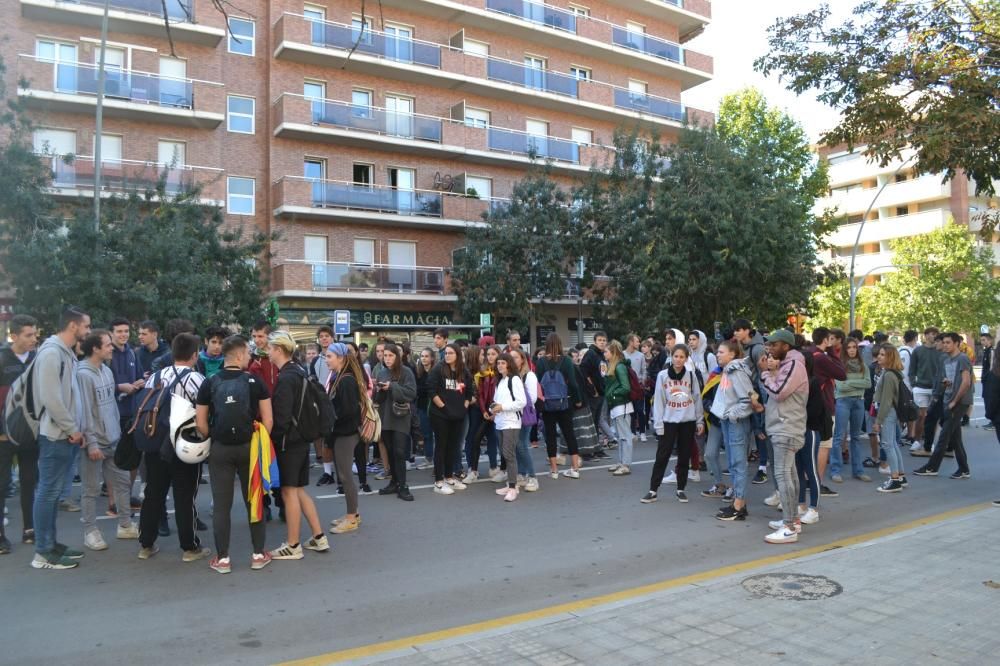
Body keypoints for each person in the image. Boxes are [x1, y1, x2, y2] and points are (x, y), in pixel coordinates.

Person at [195, 335, 273, 574]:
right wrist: (259, 441)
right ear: (239, 355)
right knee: (254, 500)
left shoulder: (210, 382)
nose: (250, 358)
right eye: (248, 354)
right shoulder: (255, 381)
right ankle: (258, 554)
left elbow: (200, 423)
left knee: (221, 505)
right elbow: (268, 420)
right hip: (249, 446)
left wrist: (215, 437)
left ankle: (223, 559)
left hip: (220, 449)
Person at [137, 333, 210, 562]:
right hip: (183, 445)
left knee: (153, 494)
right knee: (185, 496)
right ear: (195, 355)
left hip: (155, 442)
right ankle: (189, 547)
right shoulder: (198, 379)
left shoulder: (155, 377)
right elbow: (204, 414)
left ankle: (146, 545)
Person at [31, 306, 90, 570]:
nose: (88, 331)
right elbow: (51, 399)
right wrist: (71, 429)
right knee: (47, 493)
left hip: (65, 435)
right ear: (73, 326)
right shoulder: (52, 353)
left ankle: (51, 544)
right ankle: (43, 552)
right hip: (56, 436)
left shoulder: (65, 353)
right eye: (86, 326)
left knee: (52, 494)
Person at [263, 331, 329, 560]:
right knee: (300, 490)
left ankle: (292, 545)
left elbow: (281, 417)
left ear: (279, 350)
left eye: (270, 348)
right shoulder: (300, 371)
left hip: (288, 442)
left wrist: (270, 438)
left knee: (289, 491)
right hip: (303, 439)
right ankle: (319, 537)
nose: (267, 352)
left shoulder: (285, 377)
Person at [77, 330, 138, 551]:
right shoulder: (83, 374)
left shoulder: (106, 371)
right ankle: (90, 531)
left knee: (123, 483)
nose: (112, 348)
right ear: (95, 348)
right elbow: (85, 411)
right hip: (95, 443)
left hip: (113, 439)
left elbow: (110, 406)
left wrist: (118, 435)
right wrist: (92, 442)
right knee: (91, 489)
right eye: (108, 345)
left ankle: (125, 524)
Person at [756, 329, 809, 545]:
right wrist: (773, 371)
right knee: (791, 474)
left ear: (786, 346)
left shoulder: (794, 365)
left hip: (786, 428)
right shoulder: (787, 365)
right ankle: (793, 520)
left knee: (783, 475)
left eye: (773, 345)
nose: (769, 349)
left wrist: (766, 373)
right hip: (784, 426)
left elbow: (778, 393)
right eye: (768, 345)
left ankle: (788, 527)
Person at [643, 344, 703, 504]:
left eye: (682, 357)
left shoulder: (691, 376)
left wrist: (699, 420)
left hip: (687, 421)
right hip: (668, 421)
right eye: (676, 356)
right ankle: (653, 490)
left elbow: (697, 399)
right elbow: (659, 402)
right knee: (662, 456)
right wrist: (658, 424)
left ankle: (680, 489)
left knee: (684, 456)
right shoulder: (663, 375)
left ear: (686, 358)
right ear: (671, 357)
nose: (678, 359)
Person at [0, 314, 39, 554]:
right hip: (3, 435)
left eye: (35, 334)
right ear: (13, 336)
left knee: (29, 481)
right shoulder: (2, 359)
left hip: (31, 433)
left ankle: (29, 529)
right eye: (28, 335)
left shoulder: (38, 359)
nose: (34, 339)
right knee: (2, 485)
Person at [915, 332, 973, 479]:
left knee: (944, 436)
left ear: (956, 343)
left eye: (948, 342)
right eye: (944, 342)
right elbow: (954, 380)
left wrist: (954, 400)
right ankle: (964, 469)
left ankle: (932, 467)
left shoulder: (962, 359)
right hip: (949, 400)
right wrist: (948, 383)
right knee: (955, 438)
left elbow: (966, 382)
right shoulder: (947, 360)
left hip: (958, 402)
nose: (945, 345)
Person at [712, 341, 754, 521]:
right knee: (733, 464)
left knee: (738, 464)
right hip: (728, 421)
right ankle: (739, 503)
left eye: (721, 352)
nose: (717, 355)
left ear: (732, 354)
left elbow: (748, 399)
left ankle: (738, 506)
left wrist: (732, 415)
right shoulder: (729, 370)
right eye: (717, 352)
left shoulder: (735, 371)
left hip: (735, 423)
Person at [327, 343, 366, 533]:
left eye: (329, 356)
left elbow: (349, 410)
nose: (326, 360)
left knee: (345, 476)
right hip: (342, 432)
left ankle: (351, 518)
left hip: (347, 433)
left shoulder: (346, 380)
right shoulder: (339, 377)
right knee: (344, 475)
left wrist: (330, 417)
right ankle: (353, 513)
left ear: (341, 358)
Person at [534, 334, 583, 479]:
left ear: (547, 345)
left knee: (550, 436)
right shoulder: (567, 361)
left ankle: (554, 470)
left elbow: (537, 384)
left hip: (548, 404)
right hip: (564, 402)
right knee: (569, 434)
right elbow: (573, 383)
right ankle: (574, 468)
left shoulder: (541, 362)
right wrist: (578, 400)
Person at [373, 343, 418, 501]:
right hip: (385, 416)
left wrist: (392, 386)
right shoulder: (381, 373)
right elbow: (377, 399)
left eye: (390, 355)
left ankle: (403, 486)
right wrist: (378, 390)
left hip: (400, 417)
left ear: (397, 356)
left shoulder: (406, 372)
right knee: (391, 451)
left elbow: (411, 394)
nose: (387, 358)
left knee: (399, 452)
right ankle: (394, 482)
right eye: (385, 355)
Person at [429, 343, 475, 495]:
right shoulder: (438, 369)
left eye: (450, 353)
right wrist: (443, 407)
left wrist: (464, 407)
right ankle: (438, 482)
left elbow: (470, 392)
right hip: (440, 415)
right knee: (441, 446)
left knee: (453, 446)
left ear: (457, 355)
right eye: (446, 353)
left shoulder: (464, 371)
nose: (447, 355)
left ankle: (449, 477)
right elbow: (432, 391)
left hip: (458, 415)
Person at [733, 318, 769, 485]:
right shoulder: (741, 347)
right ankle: (742, 463)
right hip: (743, 395)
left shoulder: (757, 348)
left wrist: (762, 402)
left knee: (759, 431)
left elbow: (764, 373)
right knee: (745, 430)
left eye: (739, 330)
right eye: (735, 330)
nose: (736, 333)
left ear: (747, 330)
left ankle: (763, 468)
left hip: (756, 395)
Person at [832, 338, 872, 482]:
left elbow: (868, 384)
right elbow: (841, 387)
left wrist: (850, 383)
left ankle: (858, 471)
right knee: (839, 436)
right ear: (845, 349)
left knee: (855, 437)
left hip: (858, 402)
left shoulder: (863, 365)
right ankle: (835, 470)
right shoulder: (839, 365)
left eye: (854, 347)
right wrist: (858, 384)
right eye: (849, 347)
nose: (852, 350)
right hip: (843, 401)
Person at [491, 353, 527, 502]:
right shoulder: (500, 381)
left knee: (509, 455)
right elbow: (496, 401)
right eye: (498, 363)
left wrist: (502, 407)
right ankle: (510, 485)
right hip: (499, 422)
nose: (500, 365)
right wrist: (492, 409)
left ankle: (513, 488)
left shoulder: (515, 379)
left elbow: (521, 402)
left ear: (509, 364)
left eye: (503, 363)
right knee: (505, 455)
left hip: (511, 422)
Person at [873, 345, 907, 493]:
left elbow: (886, 401)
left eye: (883, 355)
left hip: (888, 412)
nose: (879, 357)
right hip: (891, 411)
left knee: (887, 444)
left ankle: (894, 480)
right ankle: (900, 475)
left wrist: (878, 421)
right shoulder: (893, 373)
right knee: (892, 443)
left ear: (890, 358)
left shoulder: (888, 375)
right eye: (879, 354)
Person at [466, 346, 501, 482]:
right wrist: (484, 410)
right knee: (474, 438)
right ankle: (472, 468)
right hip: (479, 410)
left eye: (493, 354)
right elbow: (480, 394)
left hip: (496, 410)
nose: (490, 357)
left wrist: (494, 411)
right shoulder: (481, 371)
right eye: (487, 354)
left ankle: (494, 467)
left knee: (493, 437)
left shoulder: (501, 371)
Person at [579, 331, 614, 457]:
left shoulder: (601, 355)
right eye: (600, 340)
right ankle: (588, 451)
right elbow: (583, 370)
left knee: (597, 422)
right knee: (591, 423)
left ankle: (596, 449)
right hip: (593, 395)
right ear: (595, 341)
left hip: (601, 393)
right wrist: (592, 389)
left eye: (604, 340)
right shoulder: (591, 353)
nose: (602, 342)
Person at [510, 349, 539, 491]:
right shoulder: (511, 376)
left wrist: (516, 402)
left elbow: (532, 398)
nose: (513, 360)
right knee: (516, 445)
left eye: (515, 357)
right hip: (513, 416)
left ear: (522, 359)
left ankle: (532, 476)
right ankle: (521, 474)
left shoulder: (529, 375)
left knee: (521, 445)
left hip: (524, 415)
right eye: (511, 357)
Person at [908, 327, 942, 453]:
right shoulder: (918, 351)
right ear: (925, 336)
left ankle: (930, 441)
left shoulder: (940, 351)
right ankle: (917, 440)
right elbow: (912, 369)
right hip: (920, 386)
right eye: (929, 334)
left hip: (935, 388)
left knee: (932, 417)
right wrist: (913, 383)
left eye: (934, 334)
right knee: (921, 415)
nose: (931, 336)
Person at [604, 340, 634, 476]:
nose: (604, 353)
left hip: (622, 405)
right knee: (621, 436)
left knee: (625, 436)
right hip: (618, 406)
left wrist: (613, 394)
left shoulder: (619, 367)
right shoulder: (614, 365)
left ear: (613, 353)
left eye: (606, 351)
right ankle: (622, 462)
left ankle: (626, 464)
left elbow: (626, 387)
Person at [415, 348, 437, 470]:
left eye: (426, 356)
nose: (424, 358)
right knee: (426, 434)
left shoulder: (436, 371)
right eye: (422, 356)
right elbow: (418, 390)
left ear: (432, 358)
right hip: (423, 407)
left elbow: (432, 389)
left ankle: (438, 459)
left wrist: (425, 389)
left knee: (437, 435)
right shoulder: (419, 372)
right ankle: (428, 458)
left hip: (436, 407)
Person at [624, 334, 647, 442]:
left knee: (640, 410)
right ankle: (633, 432)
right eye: (637, 341)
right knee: (631, 411)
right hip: (627, 387)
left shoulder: (641, 355)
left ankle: (642, 432)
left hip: (638, 387)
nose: (639, 343)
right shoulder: (623, 355)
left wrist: (642, 381)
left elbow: (644, 370)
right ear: (630, 342)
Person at [247, 320, 278, 395]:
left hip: (279, 402)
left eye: (260, 336)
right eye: (254, 336)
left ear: (270, 336)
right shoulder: (250, 359)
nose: (256, 340)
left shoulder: (279, 356)